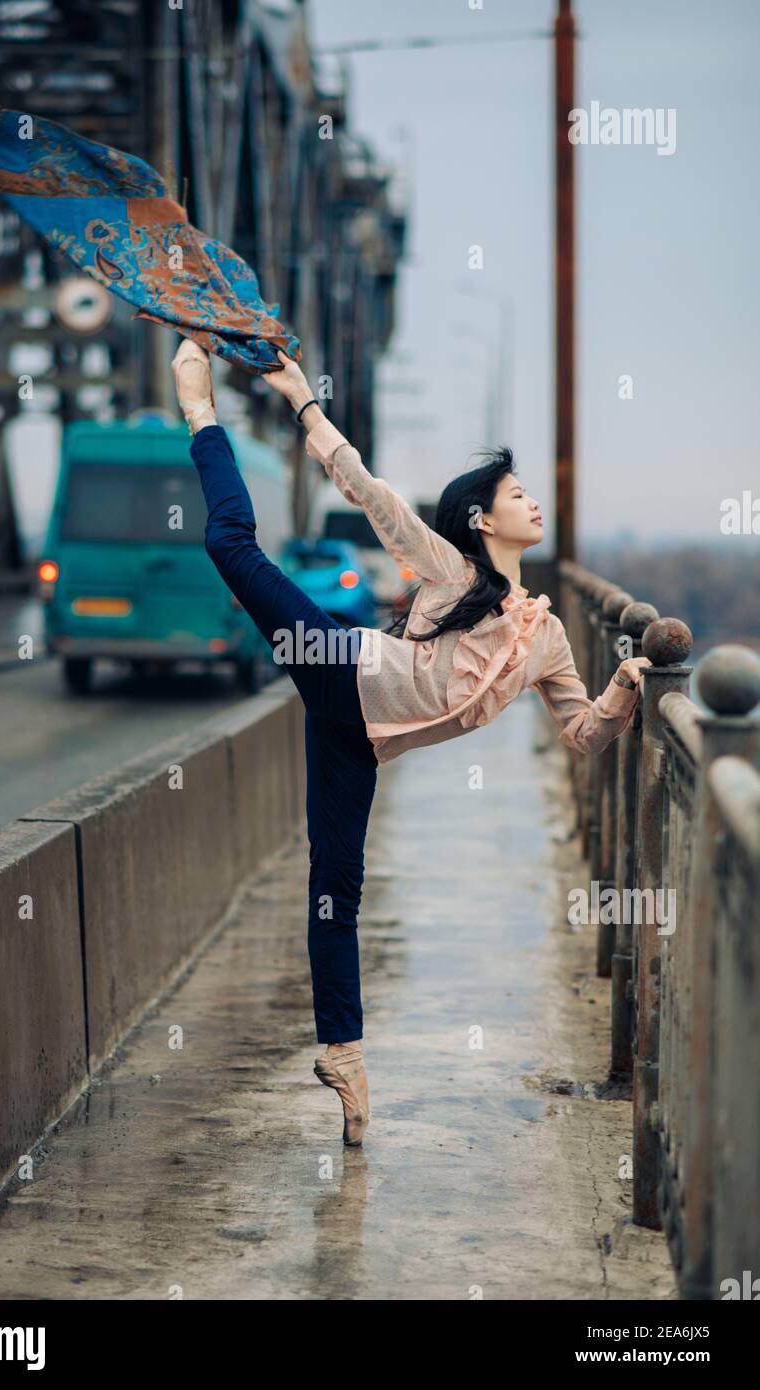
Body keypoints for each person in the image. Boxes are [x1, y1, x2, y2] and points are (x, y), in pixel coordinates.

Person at [172, 339, 650, 1146]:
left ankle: (345, 1061)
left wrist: (624, 689)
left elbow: (583, 736)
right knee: (229, 545)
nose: (533, 505)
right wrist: (299, 395)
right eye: (517, 493)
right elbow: (367, 490)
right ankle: (198, 408)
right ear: (481, 518)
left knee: (336, 893)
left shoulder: (550, 638)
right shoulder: (450, 572)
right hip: (337, 666)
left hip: (357, 743)